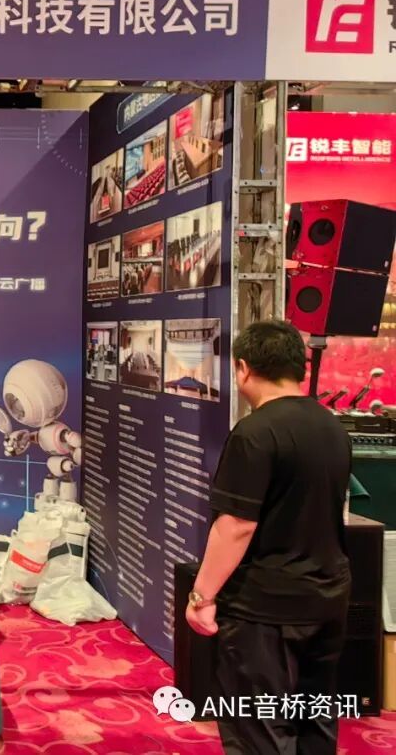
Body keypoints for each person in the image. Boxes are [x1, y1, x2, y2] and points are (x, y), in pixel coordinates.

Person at [186, 320, 351, 755]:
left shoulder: (254, 433)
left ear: (243, 368)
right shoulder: (331, 426)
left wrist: (201, 596)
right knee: (315, 722)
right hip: (326, 598)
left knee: (258, 731)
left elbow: (236, 525)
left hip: (265, 609)